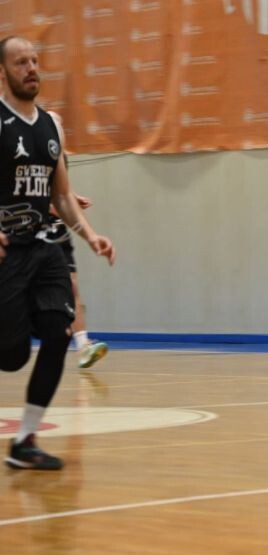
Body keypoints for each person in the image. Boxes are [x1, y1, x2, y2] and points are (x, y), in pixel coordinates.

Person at [0, 36, 116, 470]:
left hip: (44, 245)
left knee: (57, 330)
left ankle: (25, 441)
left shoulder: (51, 125)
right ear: (3, 73)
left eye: (35, 61)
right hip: (8, 251)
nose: (31, 68)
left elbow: (61, 194)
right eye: (20, 62)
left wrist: (89, 234)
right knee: (11, 356)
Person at [44, 112, 109, 369]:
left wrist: (71, 198)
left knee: (72, 285)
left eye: (61, 125)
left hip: (57, 229)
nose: (59, 129)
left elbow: (60, 191)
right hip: (30, 229)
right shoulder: (28, 147)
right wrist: (58, 206)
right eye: (55, 125)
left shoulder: (59, 154)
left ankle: (83, 345)